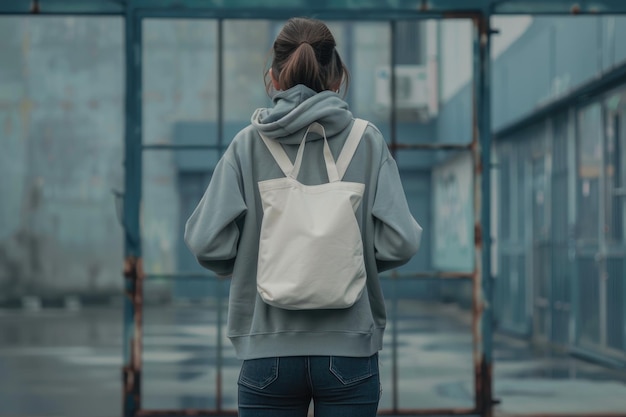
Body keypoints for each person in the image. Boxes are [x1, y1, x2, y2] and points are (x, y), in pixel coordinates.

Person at [184, 17, 422, 417]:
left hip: (267, 351)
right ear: (337, 77)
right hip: (349, 353)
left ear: (274, 78)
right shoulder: (367, 141)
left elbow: (206, 242)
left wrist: (250, 260)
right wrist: (348, 258)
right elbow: (402, 240)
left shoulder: (247, 145)